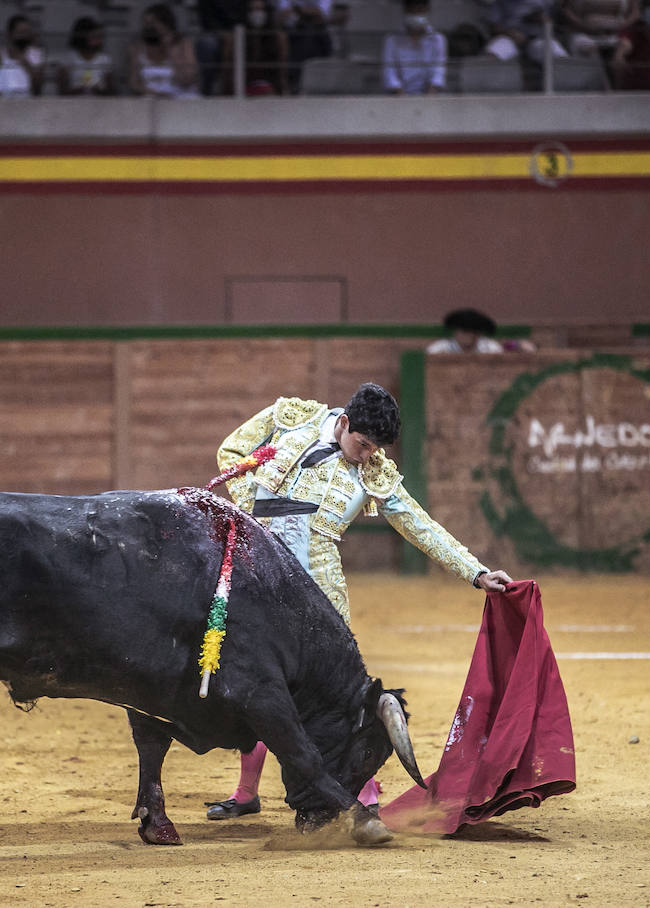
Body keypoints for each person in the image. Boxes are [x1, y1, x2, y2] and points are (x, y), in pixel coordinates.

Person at [203, 383, 512, 821]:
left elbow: (420, 526)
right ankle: (246, 792)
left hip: (320, 592)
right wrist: (259, 503)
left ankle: (365, 790)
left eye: (375, 449)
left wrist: (475, 572)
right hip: (262, 577)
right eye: (363, 444)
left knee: (334, 694)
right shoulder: (290, 416)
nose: (367, 456)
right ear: (344, 422)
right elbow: (231, 453)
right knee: (257, 678)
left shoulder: (375, 474)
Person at [221, 0, 289, 95]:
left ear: (266, 12)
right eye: (253, 10)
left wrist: (282, 93)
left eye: (260, 9)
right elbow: (228, 72)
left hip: (269, 88)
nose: (257, 13)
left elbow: (281, 72)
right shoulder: (235, 39)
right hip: (244, 88)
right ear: (247, 13)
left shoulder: (278, 38)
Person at [381, 0, 447, 94]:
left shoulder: (437, 39)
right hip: (399, 98)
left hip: (430, 97)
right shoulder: (392, 40)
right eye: (412, 11)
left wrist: (428, 100)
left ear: (427, 9)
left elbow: (438, 73)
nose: (416, 14)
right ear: (405, 11)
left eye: (420, 10)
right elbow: (390, 73)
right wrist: (404, 100)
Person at [128, 3, 199, 98]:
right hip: (151, 96)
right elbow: (134, 84)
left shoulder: (184, 45)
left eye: (152, 23)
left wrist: (170, 51)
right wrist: (155, 93)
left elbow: (188, 80)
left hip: (180, 95)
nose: (149, 28)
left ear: (166, 24)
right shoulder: (137, 48)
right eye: (146, 24)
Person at [484, 0, 567, 62]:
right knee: (493, 53)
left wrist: (542, 19)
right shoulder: (502, 0)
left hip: (537, 40)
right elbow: (492, 26)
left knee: (556, 53)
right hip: (511, 40)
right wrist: (509, 33)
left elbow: (557, 24)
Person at [0, 13, 44, 97]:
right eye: (21, 33)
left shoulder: (35, 55)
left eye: (27, 32)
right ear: (10, 34)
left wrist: (26, 64)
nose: (24, 36)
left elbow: (38, 87)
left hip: (26, 103)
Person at [197, 0, 249, 94]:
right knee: (207, 44)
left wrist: (237, 32)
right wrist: (222, 33)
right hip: (215, 32)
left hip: (242, 32)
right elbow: (206, 20)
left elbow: (245, 15)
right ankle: (209, 88)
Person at [559, 0, 636, 58]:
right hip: (583, 35)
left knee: (623, 47)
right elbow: (566, 10)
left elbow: (635, 12)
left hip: (612, 36)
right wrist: (583, 26)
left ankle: (617, 67)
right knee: (591, 51)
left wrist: (621, 26)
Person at [58, 15, 114, 96]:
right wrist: (79, 90)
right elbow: (62, 90)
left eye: (99, 37)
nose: (98, 40)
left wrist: (98, 90)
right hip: (72, 103)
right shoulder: (68, 58)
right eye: (94, 36)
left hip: (100, 104)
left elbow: (111, 91)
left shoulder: (105, 59)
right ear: (83, 36)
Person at [427, 308, 507, 354]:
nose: (470, 336)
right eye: (465, 331)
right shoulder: (440, 349)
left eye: (475, 332)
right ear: (456, 331)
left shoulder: (491, 349)